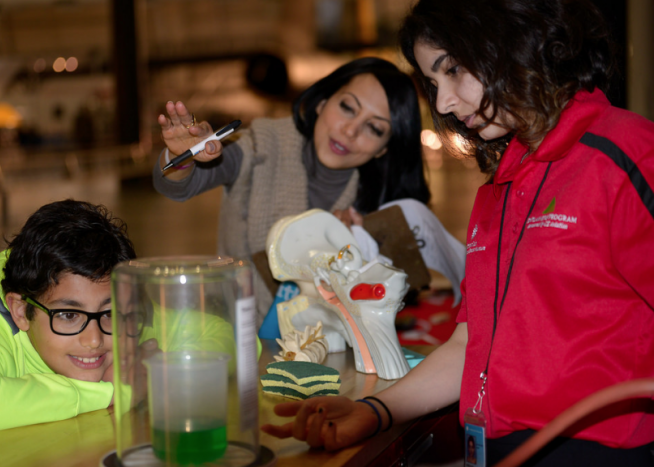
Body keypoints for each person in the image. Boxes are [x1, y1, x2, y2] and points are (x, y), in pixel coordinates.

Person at [260, 0, 654, 465]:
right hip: (494, 447)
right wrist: (374, 411)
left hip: (599, 451)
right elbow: (469, 345)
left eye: (454, 70)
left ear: (512, 41)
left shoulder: (625, 154)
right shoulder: (498, 194)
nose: (443, 103)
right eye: (433, 83)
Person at [152, 57, 454, 324]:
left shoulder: (381, 199)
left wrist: (364, 254)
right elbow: (181, 185)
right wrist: (183, 158)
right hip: (236, 335)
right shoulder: (262, 145)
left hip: (335, 351)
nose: (350, 131)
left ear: (383, 149)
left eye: (374, 128)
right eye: (347, 107)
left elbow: (401, 292)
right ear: (322, 102)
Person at [0, 200, 137, 444]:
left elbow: (201, 329)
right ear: (20, 311)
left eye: (110, 313)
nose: (94, 340)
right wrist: (115, 391)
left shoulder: (128, 315)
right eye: (69, 316)